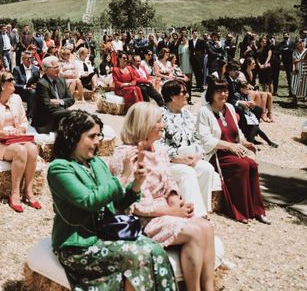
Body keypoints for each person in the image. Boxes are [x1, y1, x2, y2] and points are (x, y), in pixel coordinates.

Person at [48, 110, 177, 291]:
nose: (98, 141)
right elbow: (89, 201)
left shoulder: (96, 163)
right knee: (137, 255)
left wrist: (136, 185)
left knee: (154, 249)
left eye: (99, 135)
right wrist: (123, 177)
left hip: (105, 235)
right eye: (92, 136)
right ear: (73, 136)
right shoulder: (59, 169)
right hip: (77, 246)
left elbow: (117, 203)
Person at [110, 102, 216, 291]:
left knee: (206, 226)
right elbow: (133, 204)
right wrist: (172, 211)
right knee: (195, 232)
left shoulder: (157, 150)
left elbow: (170, 182)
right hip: (141, 219)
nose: (164, 125)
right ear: (145, 124)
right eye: (159, 121)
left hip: (165, 211)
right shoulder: (125, 155)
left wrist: (176, 202)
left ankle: (209, 288)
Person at [196, 79, 269, 224]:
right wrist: (231, 146)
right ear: (211, 93)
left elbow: (237, 131)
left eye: (226, 91)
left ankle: (257, 210)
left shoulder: (229, 107)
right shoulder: (205, 111)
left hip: (233, 151)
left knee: (252, 165)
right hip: (217, 153)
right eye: (219, 91)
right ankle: (239, 210)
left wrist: (245, 143)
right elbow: (206, 141)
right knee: (241, 166)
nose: (223, 94)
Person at [0, 71, 40, 212]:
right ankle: (15, 193)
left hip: (16, 136)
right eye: (10, 79)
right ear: (0, 84)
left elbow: (25, 122)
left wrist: (19, 129)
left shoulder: (16, 99)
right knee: (20, 150)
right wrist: (4, 132)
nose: (14, 81)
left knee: (32, 149)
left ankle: (28, 191)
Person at [160, 81, 220, 216]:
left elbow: (197, 139)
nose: (188, 95)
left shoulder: (188, 115)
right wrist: (177, 158)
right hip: (169, 161)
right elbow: (157, 144)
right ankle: (195, 214)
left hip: (189, 158)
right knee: (187, 172)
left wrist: (197, 155)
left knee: (207, 168)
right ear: (172, 96)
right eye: (184, 92)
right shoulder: (160, 115)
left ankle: (203, 210)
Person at [31, 56, 75, 134]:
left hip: (60, 114)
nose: (58, 69)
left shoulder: (61, 80)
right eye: (56, 67)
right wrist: (63, 109)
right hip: (46, 119)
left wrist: (60, 101)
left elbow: (71, 99)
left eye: (59, 66)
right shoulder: (42, 83)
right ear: (46, 70)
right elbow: (47, 105)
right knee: (72, 114)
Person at [12, 51, 39, 118]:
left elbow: (38, 81)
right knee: (32, 92)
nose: (29, 60)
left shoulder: (35, 69)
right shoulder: (17, 69)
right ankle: (30, 115)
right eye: (27, 58)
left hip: (34, 89)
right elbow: (14, 84)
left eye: (31, 58)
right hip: (22, 91)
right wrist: (25, 87)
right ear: (23, 59)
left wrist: (36, 85)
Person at [292, 39, 307, 104]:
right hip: (297, 69)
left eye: (302, 42)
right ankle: (294, 98)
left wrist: (298, 60)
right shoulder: (295, 51)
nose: (301, 44)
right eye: (299, 43)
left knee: (306, 84)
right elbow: (293, 61)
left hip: (305, 69)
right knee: (294, 83)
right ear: (297, 45)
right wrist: (293, 69)